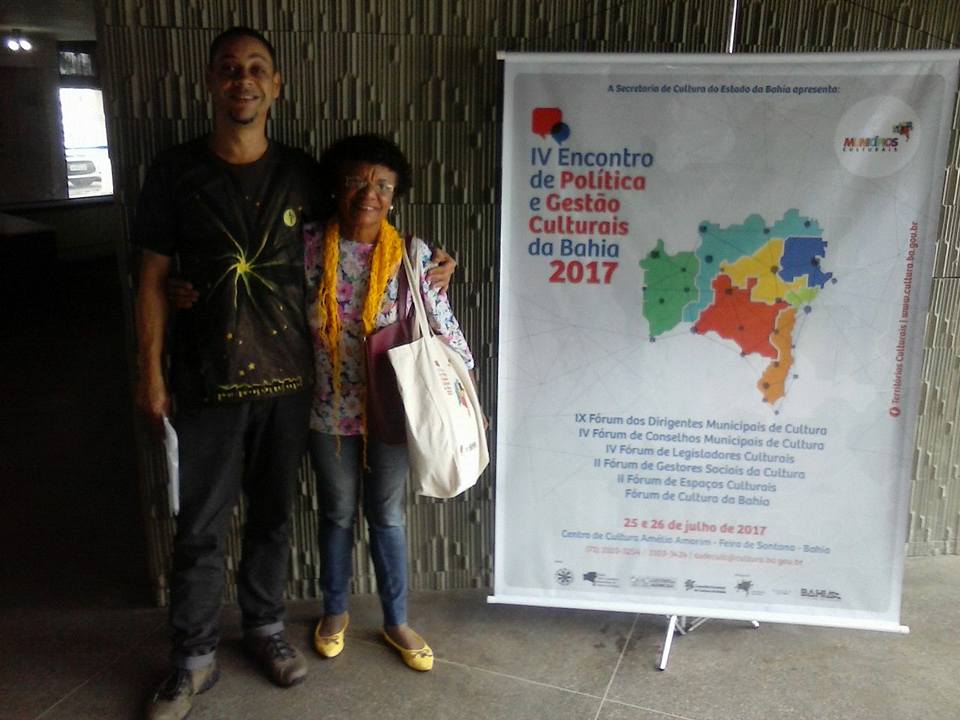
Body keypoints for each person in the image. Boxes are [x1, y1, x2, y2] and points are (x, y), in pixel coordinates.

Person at [134, 28, 455, 720]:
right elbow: (155, 275)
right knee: (200, 526)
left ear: (276, 85)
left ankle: (265, 629)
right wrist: (151, 370)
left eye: (256, 69)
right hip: (206, 381)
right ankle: (191, 660)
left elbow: (364, 230)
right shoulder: (174, 171)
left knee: (275, 519)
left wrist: (432, 266)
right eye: (229, 69)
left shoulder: (304, 174)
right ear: (210, 81)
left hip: (289, 389)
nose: (242, 80)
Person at [304, 134, 477, 672]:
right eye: (357, 182)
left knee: (387, 515)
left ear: (395, 197)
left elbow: (443, 325)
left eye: (382, 185)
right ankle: (335, 611)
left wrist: (464, 392)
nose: (369, 194)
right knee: (336, 513)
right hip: (326, 406)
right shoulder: (307, 247)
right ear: (338, 188)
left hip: (395, 409)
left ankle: (396, 619)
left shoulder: (414, 254)